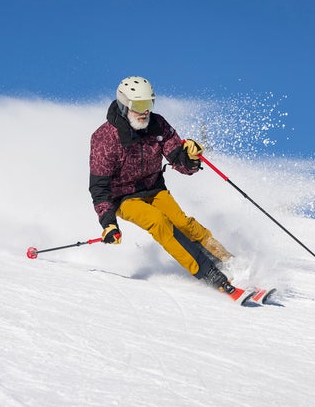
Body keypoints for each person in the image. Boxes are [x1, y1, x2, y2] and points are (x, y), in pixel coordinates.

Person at [89, 76, 236, 294]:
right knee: (159, 222)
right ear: (123, 104)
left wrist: (190, 158)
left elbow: (179, 161)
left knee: (183, 223)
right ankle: (208, 273)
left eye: (148, 105)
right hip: (123, 197)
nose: (144, 112)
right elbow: (99, 189)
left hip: (154, 188)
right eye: (138, 106)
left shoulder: (158, 125)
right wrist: (108, 223)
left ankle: (227, 259)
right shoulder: (105, 139)